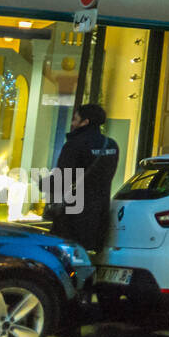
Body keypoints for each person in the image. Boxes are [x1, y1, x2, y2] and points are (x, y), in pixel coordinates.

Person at [44, 104, 119, 252]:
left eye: (75, 119)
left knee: (69, 256)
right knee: (89, 256)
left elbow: (61, 179)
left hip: (73, 214)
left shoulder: (74, 145)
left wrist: (43, 184)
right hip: (99, 212)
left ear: (85, 122)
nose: (72, 123)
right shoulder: (111, 145)